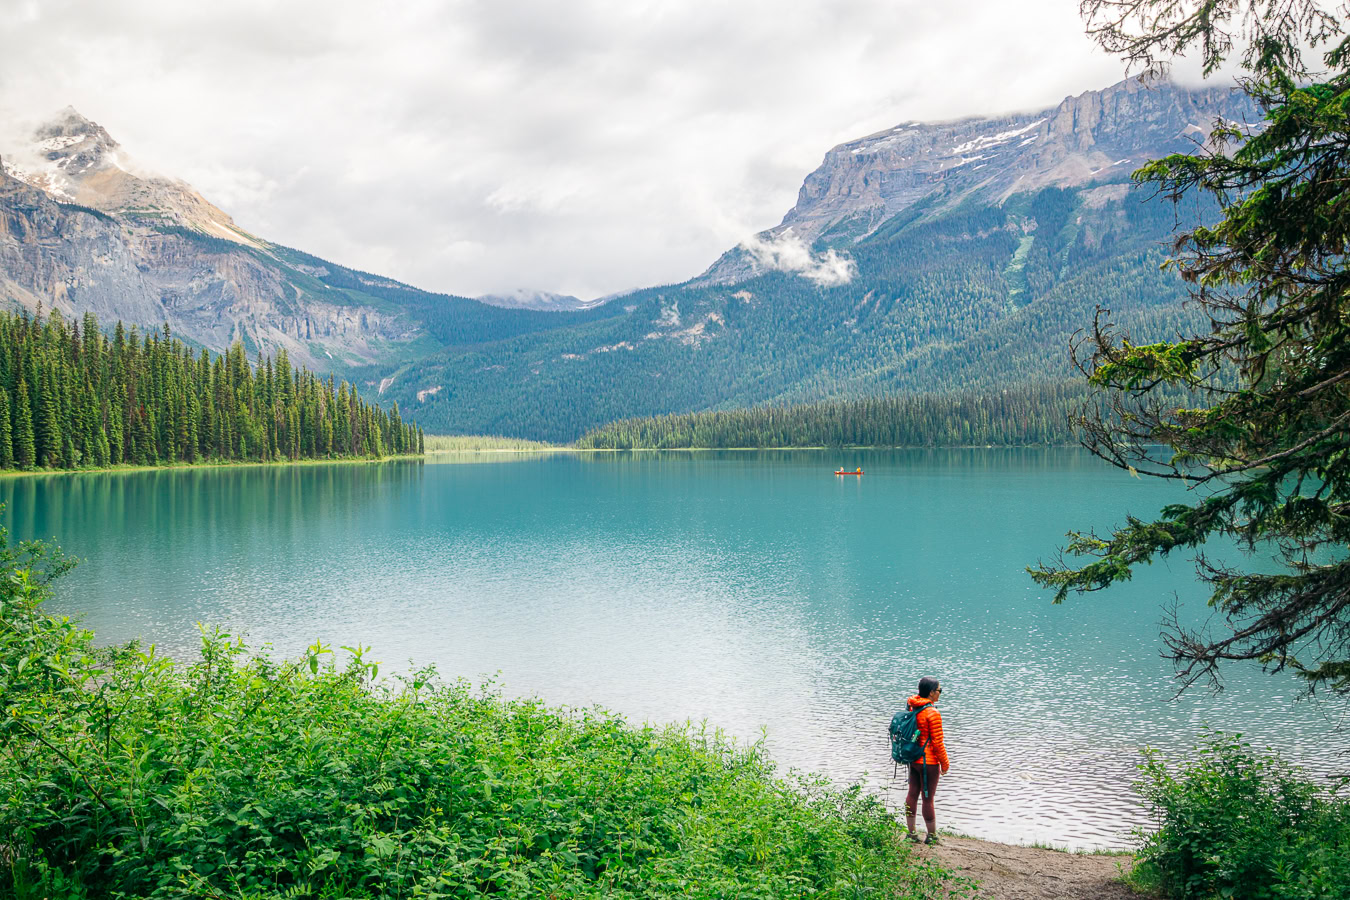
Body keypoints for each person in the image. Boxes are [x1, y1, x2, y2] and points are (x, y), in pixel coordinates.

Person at [904, 676, 949, 845]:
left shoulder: (912, 707)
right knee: (928, 798)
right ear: (931, 693)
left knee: (912, 794)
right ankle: (931, 836)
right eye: (939, 690)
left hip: (914, 758)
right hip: (928, 763)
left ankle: (911, 834)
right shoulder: (932, 713)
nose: (940, 694)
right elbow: (937, 743)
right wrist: (945, 764)